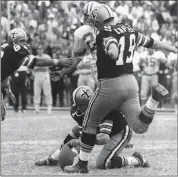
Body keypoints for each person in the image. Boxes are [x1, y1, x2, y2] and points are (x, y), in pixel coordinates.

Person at [63, 4, 177, 173]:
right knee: (139, 126)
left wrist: (112, 49)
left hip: (110, 85)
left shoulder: (103, 32)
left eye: (92, 20)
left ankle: (82, 164)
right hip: (131, 83)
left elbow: (110, 42)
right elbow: (151, 42)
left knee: (89, 122)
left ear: (97, 19)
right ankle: (153, 100)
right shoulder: (128, 29)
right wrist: (171, 48)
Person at [35, 85, 149, 169]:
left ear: (89, 104)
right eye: (77, 105)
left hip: (119, 132)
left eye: (81, 106)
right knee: (76, 131)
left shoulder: (103, 111)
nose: (78, 109)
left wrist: (81, 142)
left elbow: (104, 138)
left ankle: (137, 160)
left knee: (103, 163)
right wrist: (78, 144)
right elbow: (85, 131)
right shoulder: (76, 111)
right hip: (101, 129)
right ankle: (53, 158)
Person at [1, 28, 72, 121]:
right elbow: (37, 62)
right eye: (22, 41)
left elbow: (3, 75)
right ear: (14, 42)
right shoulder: (15, 51)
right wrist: (58, 61)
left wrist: (9, 91)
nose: (25, 43)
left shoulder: (5, 49)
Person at [33, 45, 52, 114]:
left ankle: (49, 107)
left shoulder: (47, 57)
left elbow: (47, 68)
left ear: (43, 50)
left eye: (41, 49)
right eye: (38, 49)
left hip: (45, 74)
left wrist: (39, 66)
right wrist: (41, 66)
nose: (39, 50)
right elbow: (34, 68)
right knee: (37, 92)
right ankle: (36, 108)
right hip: (37, 75)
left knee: (47, 92)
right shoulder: (35, 58)